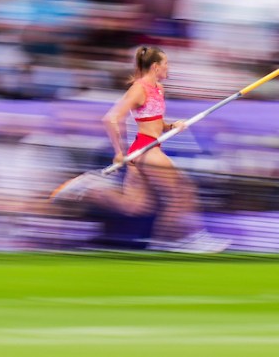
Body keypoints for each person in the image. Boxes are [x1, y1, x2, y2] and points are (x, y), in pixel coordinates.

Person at [51, 46, 229, 252]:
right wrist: (119, 151)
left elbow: (154, 120)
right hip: (146, 149)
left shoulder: (159, 89)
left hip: (150, 147)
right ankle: (189, 238)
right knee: (182, 191)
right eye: (166, 64)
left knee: (135, 205)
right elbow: (111, 118)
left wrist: (172, 126)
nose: (168, 68)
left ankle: (88, 187)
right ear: (155, 67)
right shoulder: (139, 88)